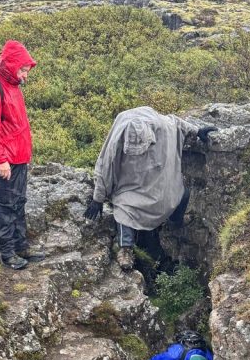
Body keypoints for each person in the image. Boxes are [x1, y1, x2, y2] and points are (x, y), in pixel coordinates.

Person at [85, 106, 216, 269]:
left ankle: (174, 223)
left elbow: (178, 124)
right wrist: (98, 199)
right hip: (131, 187)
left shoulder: (162, 125)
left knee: (182, 194)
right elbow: (107, 165)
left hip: (158, 184)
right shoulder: (120, 131)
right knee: (124, 209)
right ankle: (126, 249)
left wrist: (198, 131)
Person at [0, 40, 44, 271]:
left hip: (19, 156)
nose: (26, 75)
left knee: (19, 202)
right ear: (12, 64)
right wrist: (0, 159)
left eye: (27, 70)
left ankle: (21, 246)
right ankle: (7, 253)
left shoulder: (12, 83)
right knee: (5, 205)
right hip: (5, 159)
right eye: (23, 69)